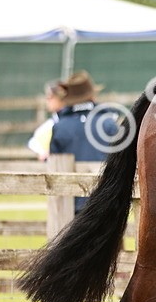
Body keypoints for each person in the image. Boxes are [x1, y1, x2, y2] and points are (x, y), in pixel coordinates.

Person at [48, 71, 116, 214]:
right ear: (92, 96)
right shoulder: (109, 124)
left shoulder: (59, 127)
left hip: (69, 204)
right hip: (105, 202)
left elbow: (54, 167)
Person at [26, 80, 65, 161]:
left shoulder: (64, 122)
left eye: (50, 97)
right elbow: (33, 143)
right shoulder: (49, 125)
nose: (47, 100)